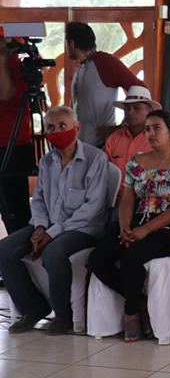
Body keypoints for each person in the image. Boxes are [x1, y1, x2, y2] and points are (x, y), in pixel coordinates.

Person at [88, 110, 170, 342]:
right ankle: (139, 302)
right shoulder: (137, 163)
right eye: (148, 129)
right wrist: (126, 228)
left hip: (169, 231)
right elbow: (127, 200)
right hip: (137, 224)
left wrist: (145, 230)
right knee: (97, 258)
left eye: (157, 128)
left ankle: (130, 313)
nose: (151, 133)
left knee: (131, 258)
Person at [0, 107, 108, 335]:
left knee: (54, 252)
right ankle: (33, 308)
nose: (56, 131)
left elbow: (92, 208)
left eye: (63, 126)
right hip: (47, 223)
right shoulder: (47, 161)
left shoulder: (95, 158)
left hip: (83, 227)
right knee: (5, 249)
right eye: (50, 127)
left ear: (76, 128)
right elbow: (38, 199)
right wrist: (40, 226)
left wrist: (52, 232)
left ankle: (63, 315)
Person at [66, 22, 146, 148]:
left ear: (72, 44)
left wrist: (123, 126)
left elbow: (140, 89)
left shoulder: (106, 63)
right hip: (79, 142)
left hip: (101, 145)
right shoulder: (81, 65)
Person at [0, 38, 35, 235]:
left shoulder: (14, 67)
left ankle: (21, 253)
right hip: (8, 143)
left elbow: (5, 93)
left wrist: (3, 54)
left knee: (17, 211)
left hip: (13, 146)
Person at [104, 86, 159, 186]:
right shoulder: (113, 139)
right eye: (127, 108)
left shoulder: (158, 140)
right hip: (115, 198)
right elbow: (104, 173)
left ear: (150, 111)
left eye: (137, 108)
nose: (130, 112)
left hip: (146, 198)